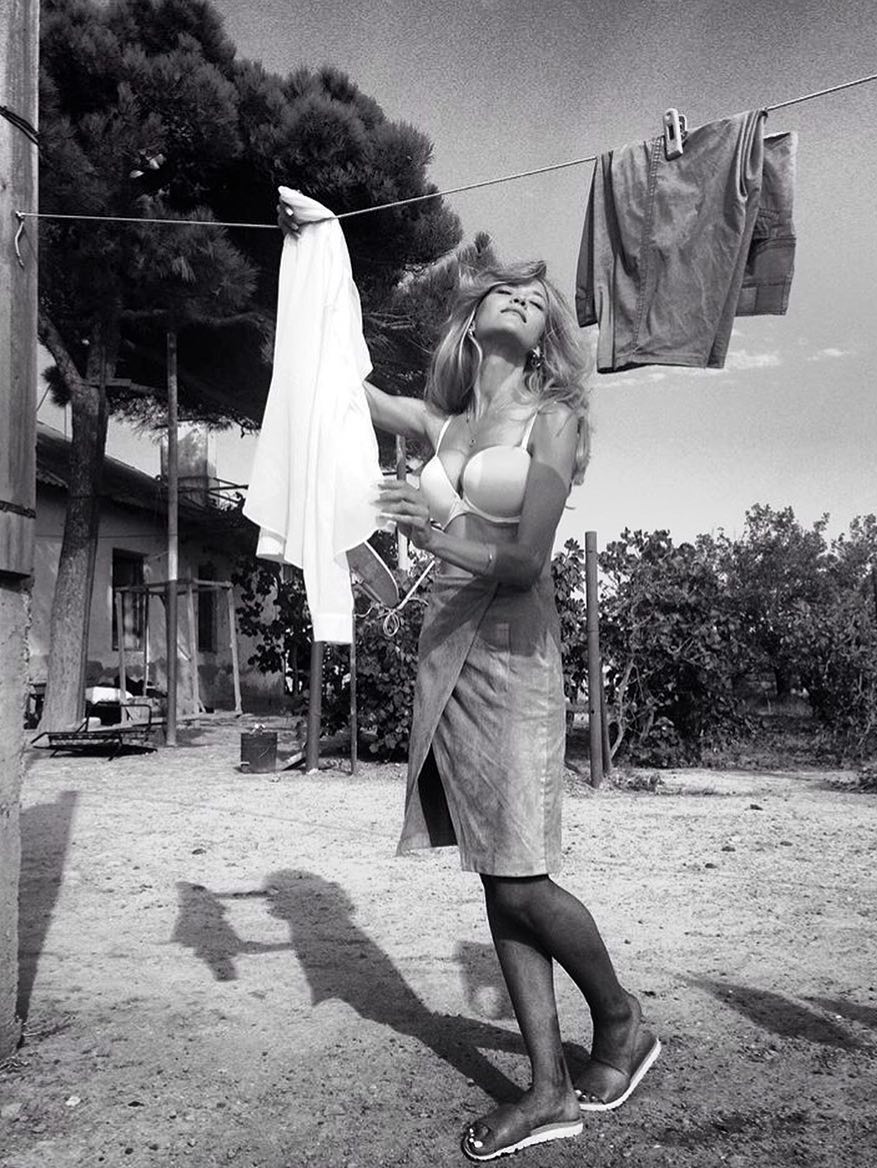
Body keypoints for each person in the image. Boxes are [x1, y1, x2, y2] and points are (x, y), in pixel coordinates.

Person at [280, 208, 658, 1160]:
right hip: (446, 650)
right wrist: (315, 244)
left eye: (538, 297)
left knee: (522, 875)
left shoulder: (555, 419)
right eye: (509, 290)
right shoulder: (441, 422)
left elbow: (526, 561)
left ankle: (620, 1019)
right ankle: (549, 1088)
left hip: (518, 654)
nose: (527, 299)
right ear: (475, 314)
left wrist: (430, 533)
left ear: (546, 329)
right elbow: (337, 386)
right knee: (495, 872)